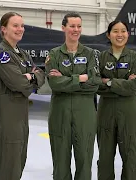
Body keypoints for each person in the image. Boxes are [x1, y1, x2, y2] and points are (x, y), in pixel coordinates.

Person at [0, 12, 45, 180]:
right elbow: (18, 84)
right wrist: (29, 78)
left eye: (22, 25)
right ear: (4, 29)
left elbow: (40, 75)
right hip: (6, 115)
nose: (20, 29)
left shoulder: (22, 54)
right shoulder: (1, 54)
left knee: (19, 161)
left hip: (20, 115)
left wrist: (31, 77)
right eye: (15, 25)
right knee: (9, 167)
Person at [45, 12, 101, 180]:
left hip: (85, 113)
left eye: (79, 26)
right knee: (60, 160)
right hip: (60, 112)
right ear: (64, 28)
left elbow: (94, 82)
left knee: (84, 158)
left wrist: (66, 79)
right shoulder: (54, 54)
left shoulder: (91, 54)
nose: (76, 30)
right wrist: (80, 78)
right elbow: (54, 83)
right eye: (72, 26)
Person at [96, 20, 136, 180]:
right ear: (108, 35)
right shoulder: (100, 58)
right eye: (115, 31)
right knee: (104, 158)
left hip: (129, 111)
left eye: (123, 31)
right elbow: (96, 84)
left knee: (131, 156)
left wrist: (108, 81)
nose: (120, 34)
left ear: (128, 35)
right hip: (106, 111)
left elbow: (134, 86)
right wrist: (123, 84)